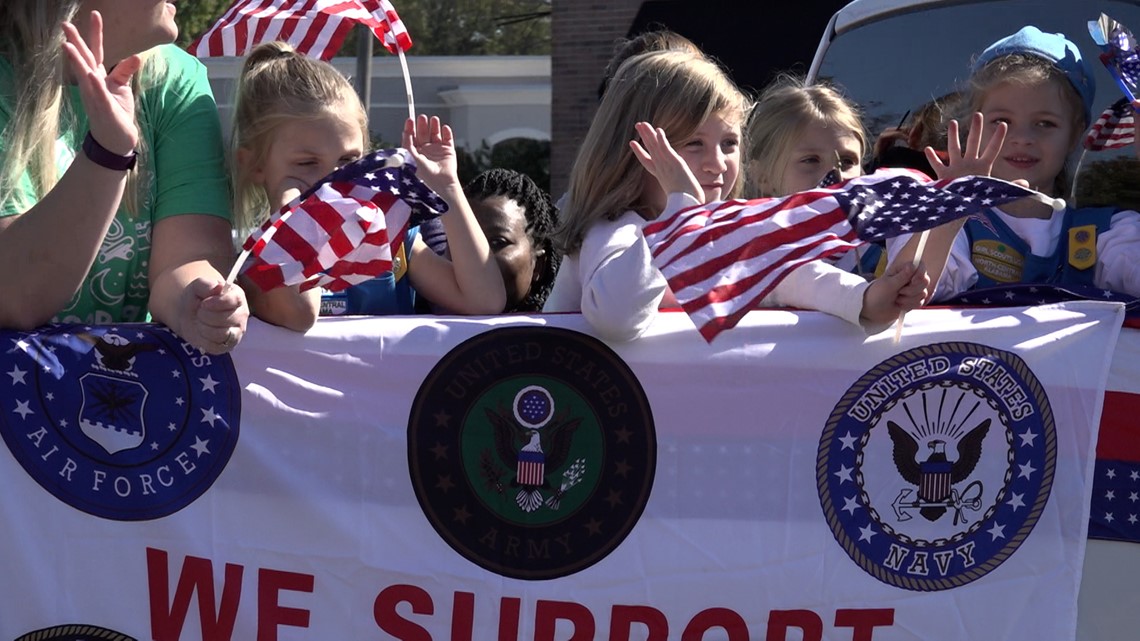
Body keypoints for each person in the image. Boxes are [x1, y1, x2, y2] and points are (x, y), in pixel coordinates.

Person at [543, 50, 929, 342]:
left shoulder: (721, 230)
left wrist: (867, 298)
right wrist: (681, 210)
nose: (716, 162)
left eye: (729, 143)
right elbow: (616, 317)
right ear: (634, 149)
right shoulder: (612, 228)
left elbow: (787, 275)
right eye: (694, 143)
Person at [0, 1, 248, 354]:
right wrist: (107, 153)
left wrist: (199, 303)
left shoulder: (176, 81)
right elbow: (15, 294)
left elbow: (185, 260)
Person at [231, 42, 505, 327]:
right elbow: (301, 313)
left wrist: (446, 187)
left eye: (348, 159)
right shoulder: (253, 262)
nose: (332, 179)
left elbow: (484, 301)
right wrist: (294, 212)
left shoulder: (388, 238)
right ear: (256, 166)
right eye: (307, 163)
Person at [887, 26, 1140, 300]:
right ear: (973, 127)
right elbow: (902, 293)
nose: (1022, 138)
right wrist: (954, 207)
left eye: (1045, 123)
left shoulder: (1107, 233)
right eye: (1002, 121)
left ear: (1075, 133)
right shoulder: (942, 217)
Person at [744, 75, 883, 277]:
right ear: (763, 177)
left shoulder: (878, 258)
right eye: (811, 160)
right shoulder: (746, 259)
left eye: (847, 161)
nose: (835, 176)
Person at [462, 168, 560, 313]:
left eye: (497, 243)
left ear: (538, 265)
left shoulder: (566, 331)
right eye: (464, 243)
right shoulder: (423, 330)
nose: (476, 255)